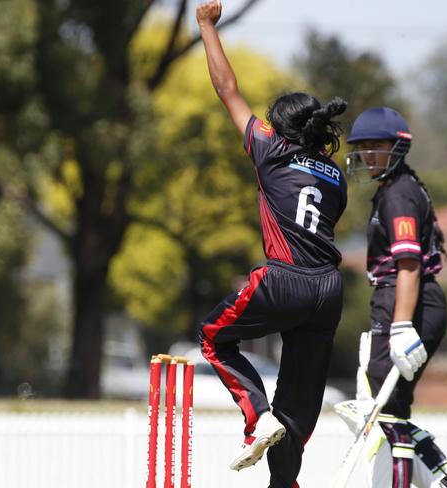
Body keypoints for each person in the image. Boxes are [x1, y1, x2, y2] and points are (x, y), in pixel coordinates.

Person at [195, 2, 348, 487]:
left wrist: (205, 25)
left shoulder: (270, 149)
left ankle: (256, 417)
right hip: (328, 290)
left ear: (279, 129)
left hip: (283, 279)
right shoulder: (336, 176)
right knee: (296, 412)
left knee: (214, 337)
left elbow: (226, 89)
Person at [341, 107, 447, 488]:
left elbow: (409, 264)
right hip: (405, 302)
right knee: (386, 409)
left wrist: (401, 325)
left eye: (376, 145)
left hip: (409, 304)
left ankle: (435, 478)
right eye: (362, 147)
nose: (368, 154)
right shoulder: (394, 189)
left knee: (381, 412)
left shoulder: (399, 194)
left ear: (398, 148)